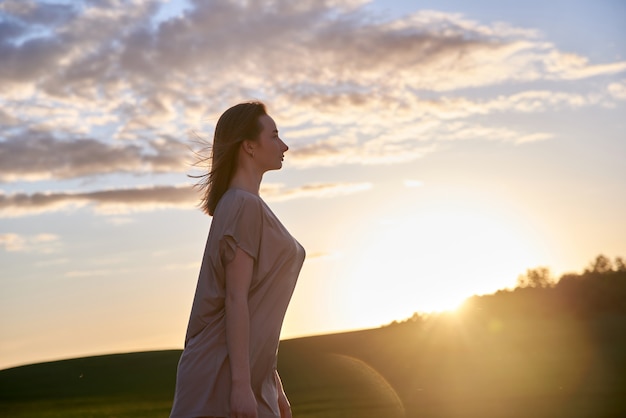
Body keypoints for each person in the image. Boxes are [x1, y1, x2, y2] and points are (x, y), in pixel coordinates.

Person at [170, 102, 305, 418]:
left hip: (246, 374)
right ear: (249, 146)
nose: (284, 145)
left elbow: (258, 307)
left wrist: (272, 382)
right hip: (220, 372)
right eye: (274, 136)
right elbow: (235, 298)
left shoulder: (248, 205)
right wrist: (241, 386)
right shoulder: (242, 205)